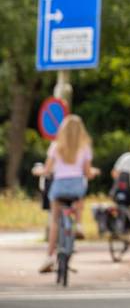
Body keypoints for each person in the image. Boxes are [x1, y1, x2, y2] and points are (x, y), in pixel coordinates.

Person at [39, 114, 99, 273]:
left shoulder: (56, 146)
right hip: (76, 185)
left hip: (59, 185)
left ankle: (49, 256)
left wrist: (37, 171)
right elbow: (86, 172)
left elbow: (47, 170)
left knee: (55, 221)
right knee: (79, 200)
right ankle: (78, 224)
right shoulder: (85, 147)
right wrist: (93, 173)